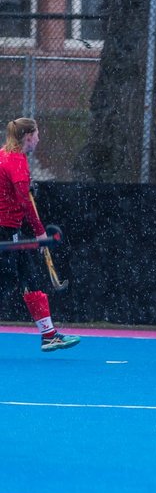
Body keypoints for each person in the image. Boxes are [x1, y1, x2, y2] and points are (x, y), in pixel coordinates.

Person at [0, 117, 79, 352]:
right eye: (36, 135)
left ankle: (49, 334)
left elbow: (16, 191)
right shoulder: (15, 161)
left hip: (10, 229)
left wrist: (25, 187)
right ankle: (49, 334)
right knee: (6, 281)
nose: (39, 139)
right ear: (27, 137)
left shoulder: (5, 155)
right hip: (5, 230)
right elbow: (25, 202)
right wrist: (40, 233)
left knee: (29, 277)